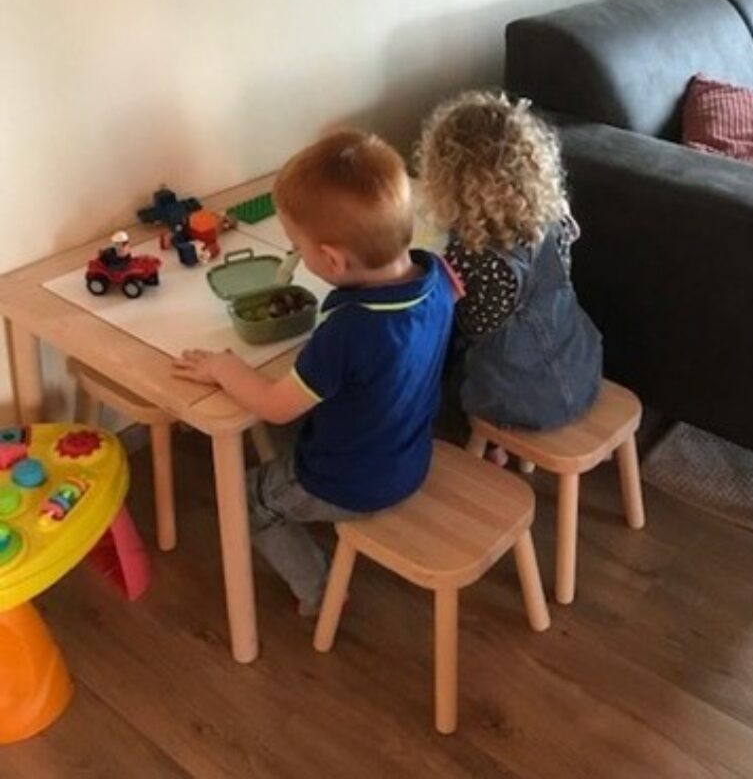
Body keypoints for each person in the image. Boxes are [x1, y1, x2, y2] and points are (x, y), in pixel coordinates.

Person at [173, 130, 456, 615]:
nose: (295, 255)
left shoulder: (350, 331)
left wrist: (223, 366)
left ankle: (320, 588)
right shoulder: (438, 279)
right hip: (410, 454)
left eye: (297, 246)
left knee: (244, 499)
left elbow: (275, 408)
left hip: (352, 481)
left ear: (332, 259)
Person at [417, 90, 602, 466]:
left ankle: (493, 444)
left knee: (439, 365)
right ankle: (500, 441)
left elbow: (474, 327)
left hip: (524, 394)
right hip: (579, 364)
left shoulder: (477, 258)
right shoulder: (554, 216)